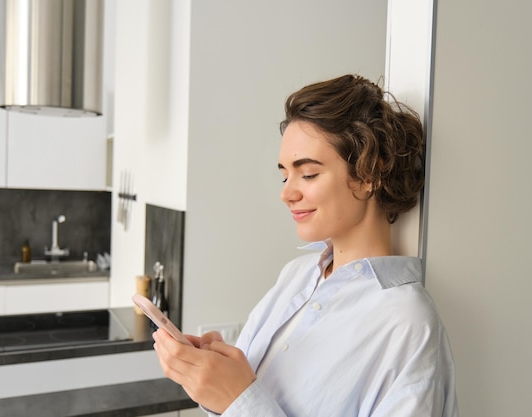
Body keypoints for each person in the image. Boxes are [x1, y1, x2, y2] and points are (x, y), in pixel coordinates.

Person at [152, 74, 459, 417]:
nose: (286, 192)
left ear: (370, 173)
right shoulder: (295, 276)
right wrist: (217, 378)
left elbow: (244, 403)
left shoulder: (408, 323)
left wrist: (239, 398)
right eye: (285, 174)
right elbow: (240, 402)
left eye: (308, 173)